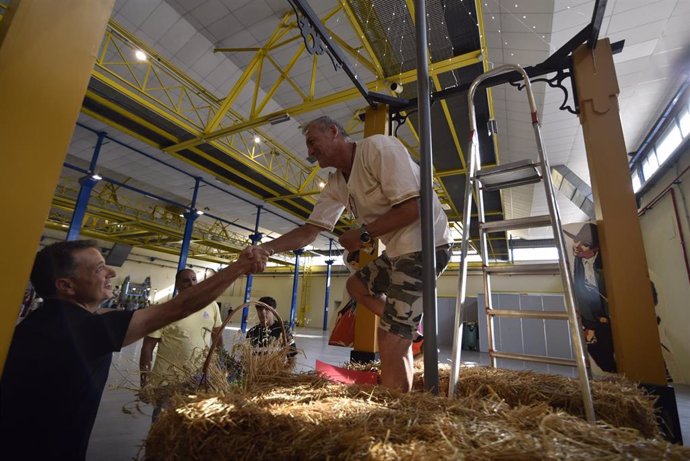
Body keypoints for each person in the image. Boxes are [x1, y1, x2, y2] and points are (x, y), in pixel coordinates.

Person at [0, 240, 267, 460]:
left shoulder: (43, 322)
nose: (112, 273)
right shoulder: (81, 332)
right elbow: (179, 308)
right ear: (66, 285)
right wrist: (240, 266)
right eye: (99, 269)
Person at [252, 116, 452, 392]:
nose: (309, 151)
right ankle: (406, 327)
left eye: (312, 142)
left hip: (426, 244)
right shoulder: (337, 183)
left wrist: (363, 234)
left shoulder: (378, 149)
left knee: (390, 340)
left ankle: (397, 407)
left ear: (334, 131)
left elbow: (413, 208)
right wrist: (267, 248)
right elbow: (310, 231)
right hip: (398, 251)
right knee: (356, 286)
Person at [139, 269, 224, 419]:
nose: (191, 284)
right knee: (163, 425)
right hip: (168, 381)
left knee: (194, 424)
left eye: (193, 279)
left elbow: (218, 337)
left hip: (199, 378)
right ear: (177, 284)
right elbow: (147, 347)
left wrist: (220, 365)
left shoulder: (211, 305)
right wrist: (145, 382)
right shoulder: (165, 309)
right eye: (186, 281)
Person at [567, 222, 616, 373]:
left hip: (606, 307)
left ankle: (617, 372)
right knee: (593, 347)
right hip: (589, 308)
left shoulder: (606, 262)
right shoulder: (579, 261)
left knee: (608, 342)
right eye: (578, 241)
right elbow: (579, 286)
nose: (578, 246)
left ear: (595, 248)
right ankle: (611, 371)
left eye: (585, 244)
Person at [246, 296, 297, 365]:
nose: (263, 313)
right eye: (260, 310)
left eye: (267, 309)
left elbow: (292, 356)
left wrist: (287, 371)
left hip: (278, 372)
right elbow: (247, 357)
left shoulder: (283, 330)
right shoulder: (252, 332)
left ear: (274, 311)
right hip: (258, 373)